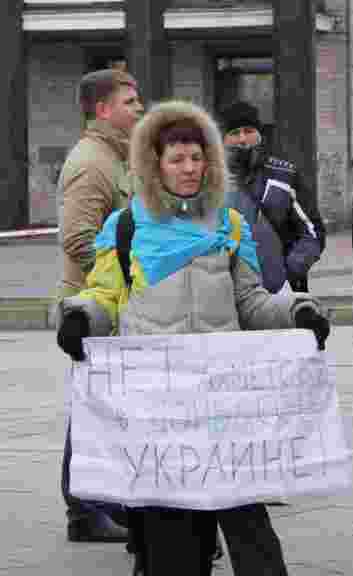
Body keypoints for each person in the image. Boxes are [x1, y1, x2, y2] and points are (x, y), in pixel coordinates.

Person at [55, 100, 331, 576]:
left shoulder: (231, 227)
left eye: (196, 157)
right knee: (171, 548)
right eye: (176, 158)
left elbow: (252, 303)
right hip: (158, 418)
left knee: (253, 539)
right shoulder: (124, 229)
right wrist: (80, 318)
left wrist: (298, 311)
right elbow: (103, 296)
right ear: (153, 164)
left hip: (222, 413)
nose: (188, 168)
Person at [57, 67, 143, 544]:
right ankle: (84, 511)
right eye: (130, 102)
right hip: (92, 307)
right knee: (91, 408)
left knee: (106, 406)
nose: (139, 109)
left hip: (109, 304)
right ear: (102, 110)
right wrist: (123, 271)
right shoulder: (92, 162)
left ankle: (104, 504)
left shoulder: (116, 157)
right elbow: (77, 238)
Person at [219, 100, 325, 294]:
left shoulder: (284, 175)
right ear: (223, 139)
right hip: (226, 294)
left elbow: (313, 231)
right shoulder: (210, 182)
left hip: (280, 293)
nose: (243, 139)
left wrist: (292, 269)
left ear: (259, 133)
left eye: (249, 131)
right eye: (234, 133)